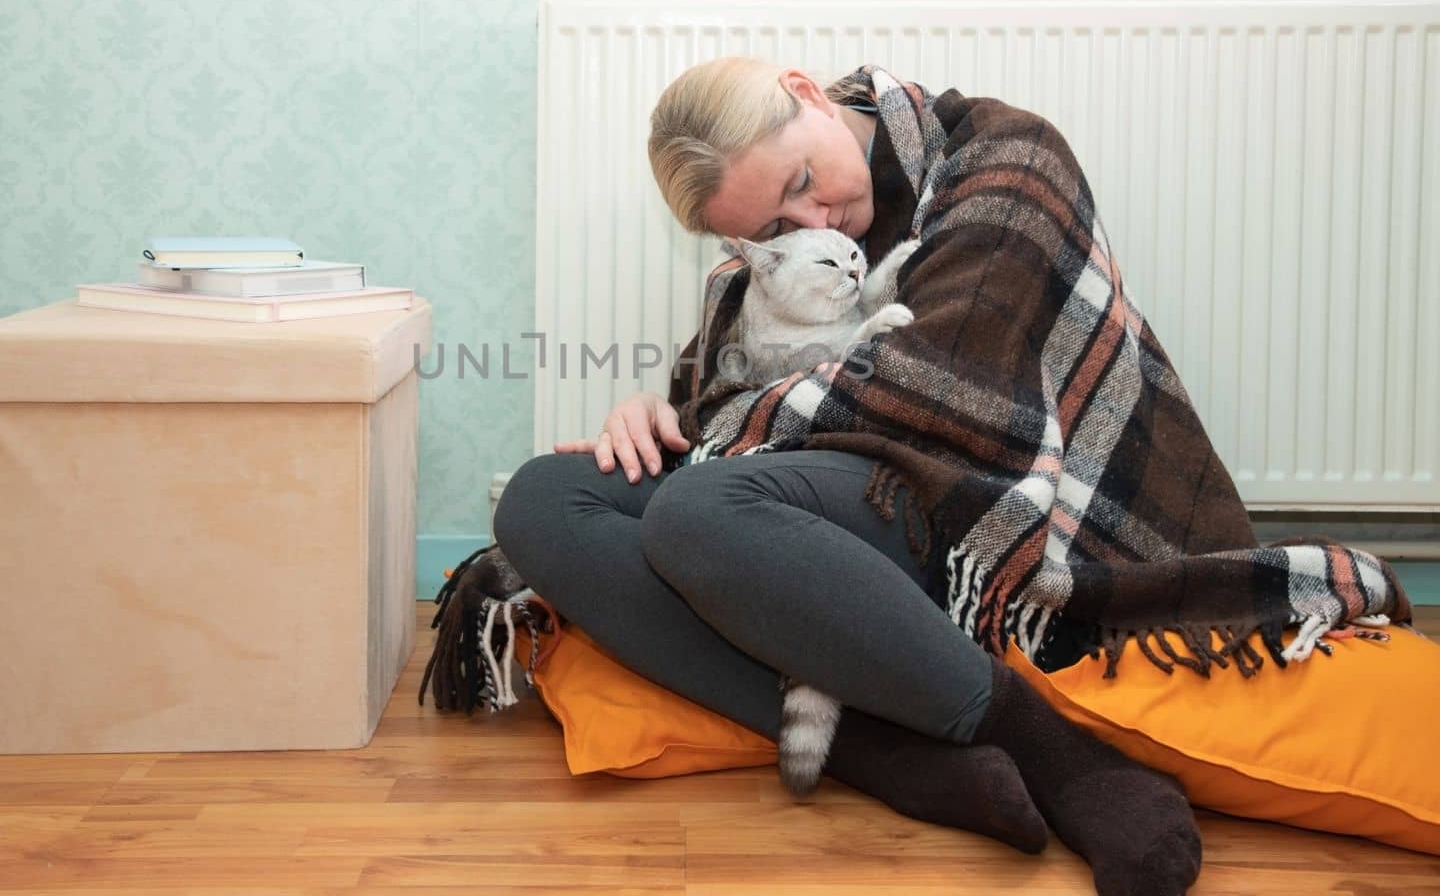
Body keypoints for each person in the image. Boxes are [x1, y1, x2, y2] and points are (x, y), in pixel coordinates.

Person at [489, 57, 1405, 896]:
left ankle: (1058, 757)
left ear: (807, 92)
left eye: (803, 183)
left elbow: (932, 385)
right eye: (771, 230)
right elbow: (733, 385)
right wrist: (658, 416)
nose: (812, 223)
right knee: (543, 498)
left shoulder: (1007, 154)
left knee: (699, 508)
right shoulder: (776, 252)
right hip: (800, 484)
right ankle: (886, 753)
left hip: (958, 486)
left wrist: (712, 439)